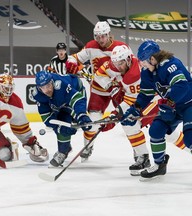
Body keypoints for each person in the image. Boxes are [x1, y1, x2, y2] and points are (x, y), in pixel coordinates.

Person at [100, 45, 189, 176]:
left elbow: (181, 86)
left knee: (185, 138)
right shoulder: (142, 70)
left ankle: (144, 157)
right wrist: (133, 107)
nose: (118, 66)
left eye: (121, 63)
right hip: (162, 104)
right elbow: (141, 95)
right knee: (158, 131)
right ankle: (152, 161)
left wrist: (169, 103)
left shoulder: (163, 66)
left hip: (173, 102)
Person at [65, 21, 128, 161]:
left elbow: (130, 67)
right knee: (92, 122)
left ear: (109, 34)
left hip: (118, 89)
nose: (100, 40)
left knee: (129, 121)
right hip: (99, 90)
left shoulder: (121, 48)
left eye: (103, 36)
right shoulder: (91, 46)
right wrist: (71, 63)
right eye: (97, 36)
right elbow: (74, 58)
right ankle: (88, 146)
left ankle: (139, 153)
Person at [32, 70, 92, 167]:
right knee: (62, 121)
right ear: (39, 88)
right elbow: (47, 117)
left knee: (77, 115)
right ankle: (64, 151)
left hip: (76, 88)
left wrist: (81, 115)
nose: (47, 90)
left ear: (52, 82)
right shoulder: (38, 95)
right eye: (43, 87)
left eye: (48, 85)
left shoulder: (61, 85)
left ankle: (88, 145)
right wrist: (59, 127)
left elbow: (77, 99)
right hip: (60, 102)